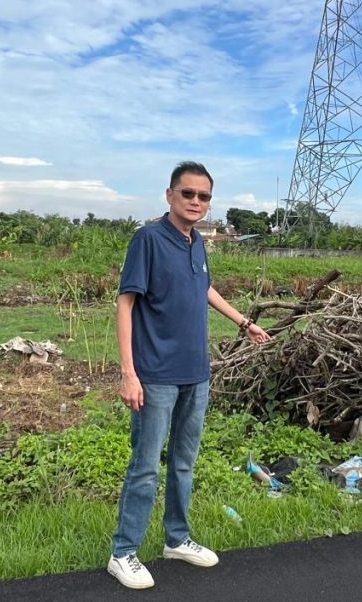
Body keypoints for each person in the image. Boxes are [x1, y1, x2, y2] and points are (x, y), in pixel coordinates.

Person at [107, 161, 271, 589]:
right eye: (188, 194)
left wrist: (243, 322)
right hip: (155, 374)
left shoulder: (196, 242)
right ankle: (123, 552)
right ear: (170, 195)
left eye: (204, 196)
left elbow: (205, 288)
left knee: (184, 462)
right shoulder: (148, 239)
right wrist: (129, 372)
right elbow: (125, 304)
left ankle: (176, 539)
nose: (196, 202)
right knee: (145, 466)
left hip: (196, 374)